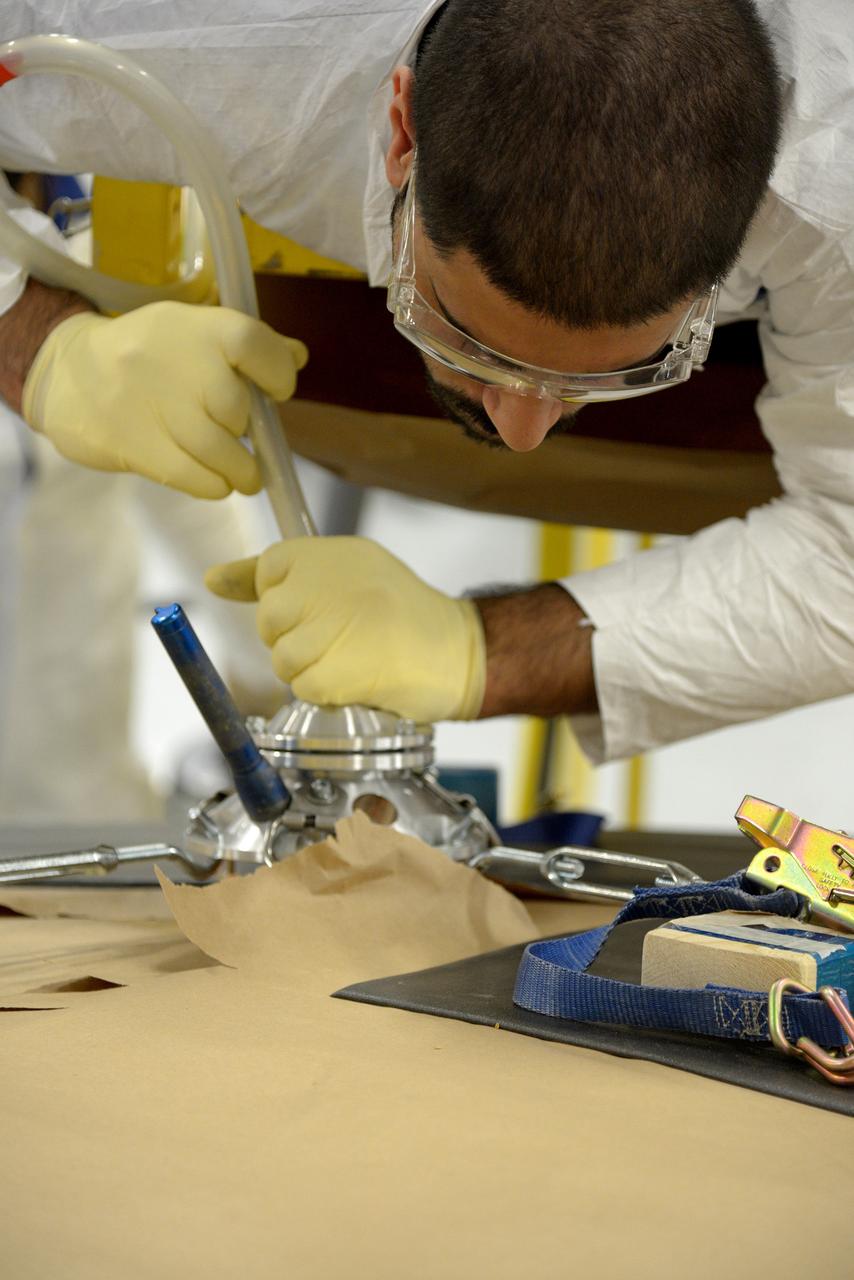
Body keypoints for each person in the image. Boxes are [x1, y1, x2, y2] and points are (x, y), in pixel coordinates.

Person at [0, 0, 852, 768]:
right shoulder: (198, 32)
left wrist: (475, 650)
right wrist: (39, 343)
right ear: (402, 130)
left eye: (627, 367)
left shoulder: (832, 173)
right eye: (471, 338)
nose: (525, 434)